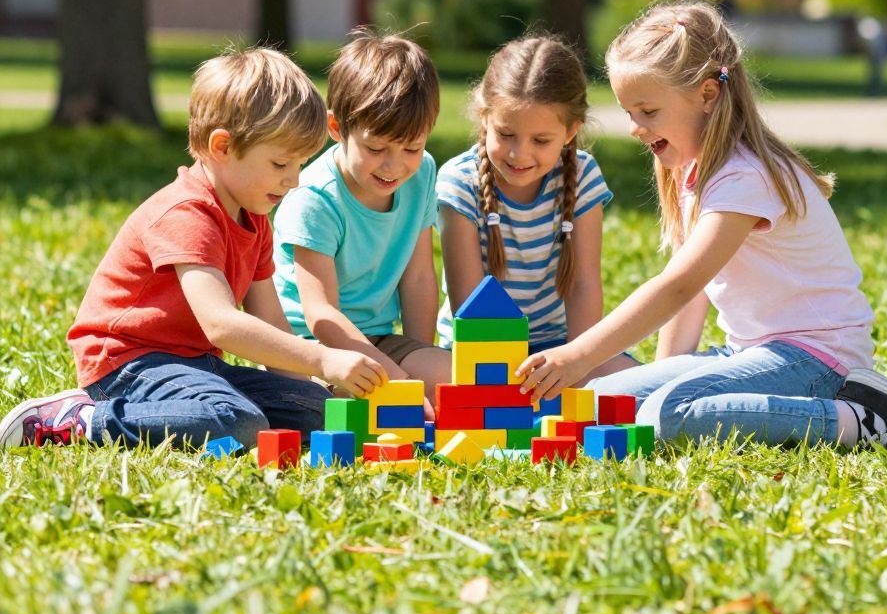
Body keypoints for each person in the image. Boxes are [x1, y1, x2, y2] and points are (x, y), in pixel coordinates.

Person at [515, 0, 887, 450]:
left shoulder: (743, 176)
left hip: (817, 358)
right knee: (605, 399)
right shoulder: (693, 170)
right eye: (629, 113)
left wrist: (578, 355)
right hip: (751, 353)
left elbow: (679, 286)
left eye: (648, 111)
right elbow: (693, 298)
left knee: (670, 416)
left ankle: (864, 420)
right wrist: (657, 376)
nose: (635, 128)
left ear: (706, 94)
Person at [1, 49, 385, 449]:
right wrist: (322, 358)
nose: (293, 180)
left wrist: (310, 396)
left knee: (318, 412)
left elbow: (271, 323)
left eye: (301, 164)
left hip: (196, 366)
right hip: (128, 363)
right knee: (235, 421)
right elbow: (221, 324)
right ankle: (80, 421)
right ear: (222, 146)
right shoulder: (187, 213)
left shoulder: (254, 217)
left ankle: (218, 417)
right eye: (280, 164)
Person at [435, 33, 633, 376]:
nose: (519, 154)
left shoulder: (582, 175)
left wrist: (575, 365)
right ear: (484, 116)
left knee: (631, 386)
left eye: (541, 140)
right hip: (477, 350)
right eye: (506, 134)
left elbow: (584, 285)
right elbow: (468, 304)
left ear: (571, 131)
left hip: (557, 349)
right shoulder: (460, 183)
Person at [273, 28, 452, 389]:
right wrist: (399, 381)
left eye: (412, 148)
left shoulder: (422, 174)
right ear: (338, 127)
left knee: (456, 379)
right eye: (376, 149)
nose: (393, 167)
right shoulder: (315, 199)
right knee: (339, 399)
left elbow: (418, 278)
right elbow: (320, 313)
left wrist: (420, 356)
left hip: (381, 340)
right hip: (312, 350)